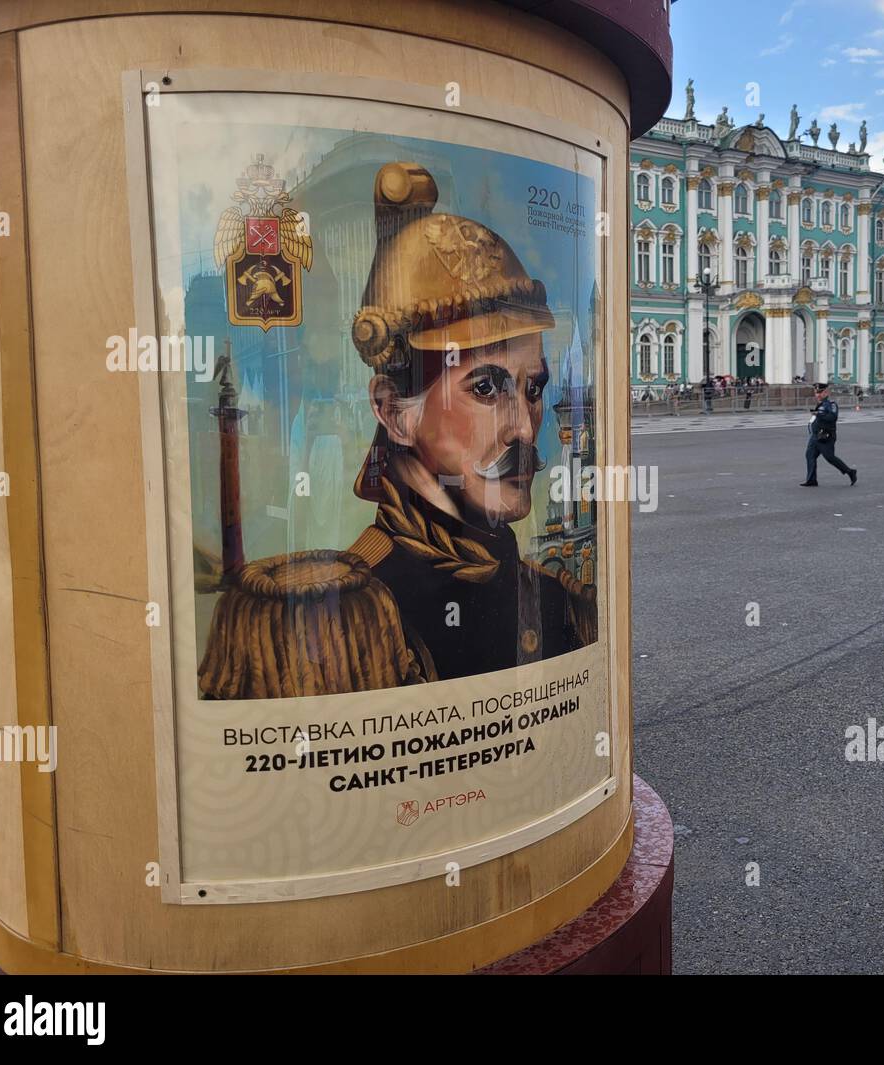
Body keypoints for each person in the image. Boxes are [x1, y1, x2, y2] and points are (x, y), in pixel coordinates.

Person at [196, 160, 595, 698]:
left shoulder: (555, 602)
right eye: (486, 389)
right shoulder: (330, 625)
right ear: (394, 412)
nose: (524, 429)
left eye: (533, 389)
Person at [800, 382, 857, 487]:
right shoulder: (821, 404)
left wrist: (819, 415)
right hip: (815, 436)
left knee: (830, 457)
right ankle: (811, 480)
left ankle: (850, 472)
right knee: (810, 456)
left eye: (820, 393)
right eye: (816, 393)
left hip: (825, 436)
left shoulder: (831, 404)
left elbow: (833, 418)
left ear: (826, 392)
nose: (818, 395)